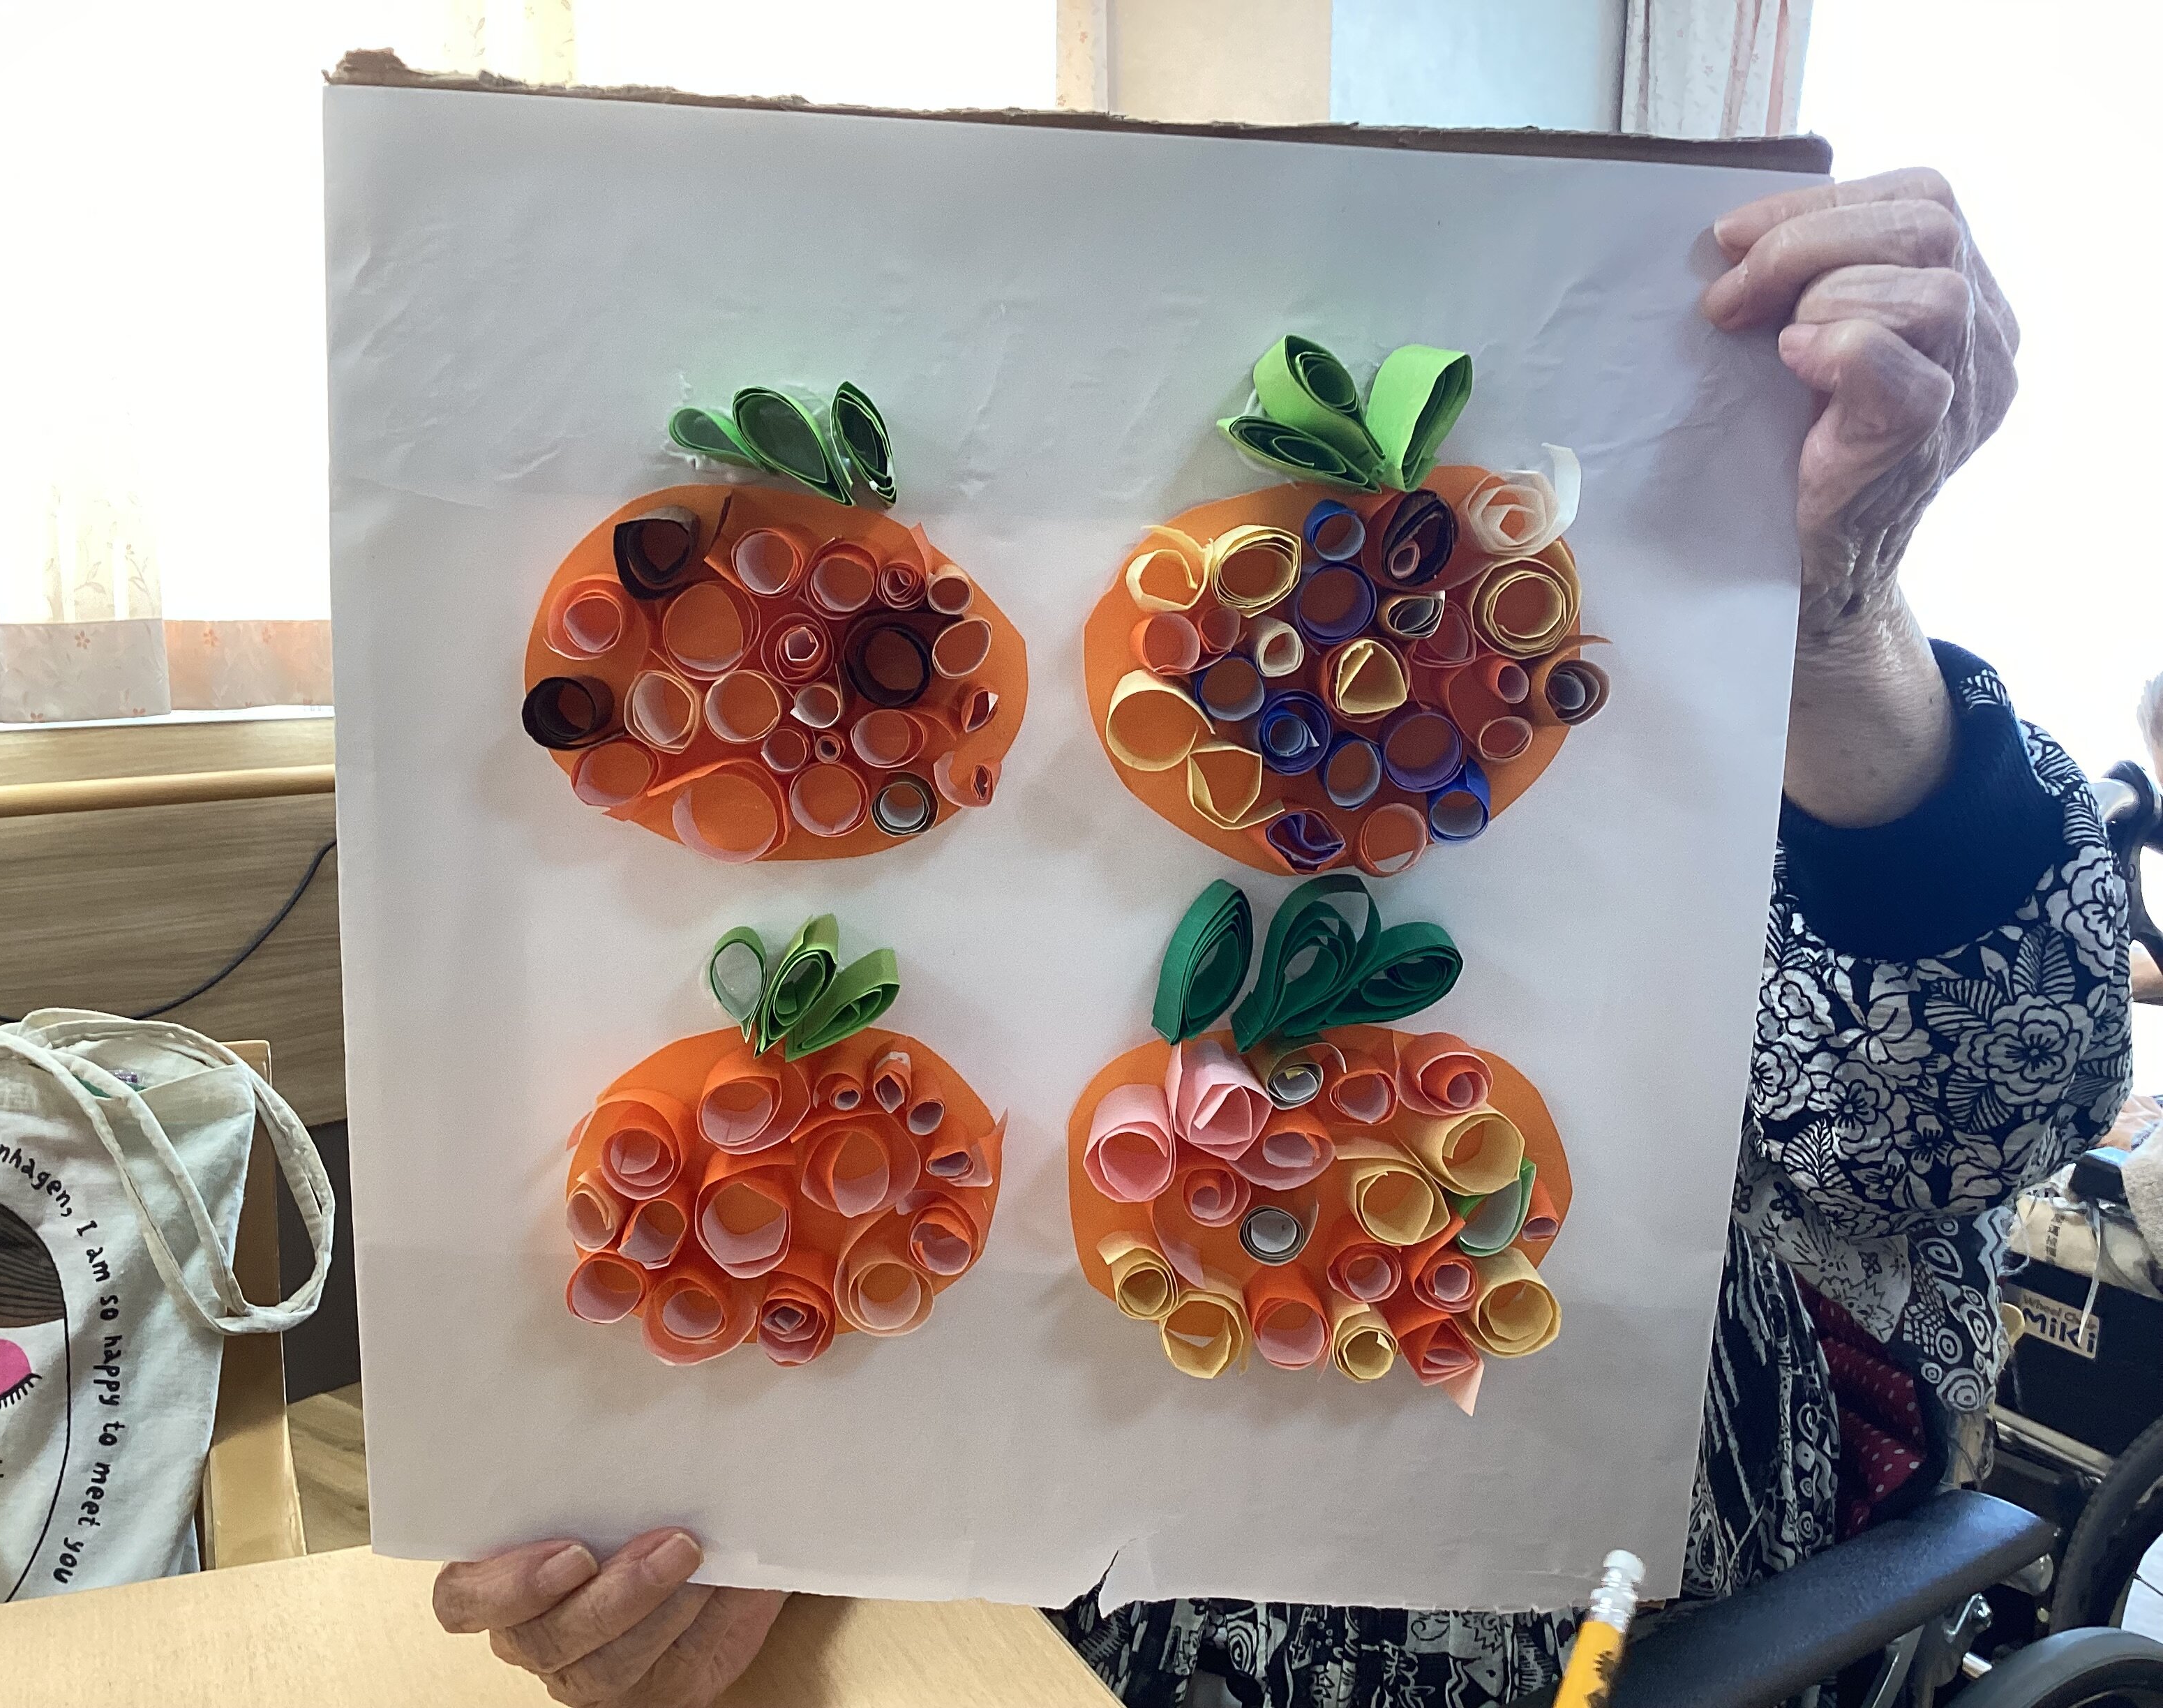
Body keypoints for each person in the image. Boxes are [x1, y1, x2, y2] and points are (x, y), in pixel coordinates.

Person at [429, 169, 2132, 1707]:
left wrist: (1829, 623)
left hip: (1626, 1628)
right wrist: (743, 1528)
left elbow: (1970, 1114)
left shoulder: (1645, 719)